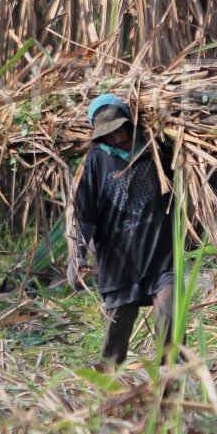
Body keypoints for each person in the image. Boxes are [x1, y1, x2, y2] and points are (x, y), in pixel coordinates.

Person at [70, 93, 177, 367]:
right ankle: (107, 396)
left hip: (160, 256)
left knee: (170, 324)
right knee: (113, 350)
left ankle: (172, 388)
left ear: (130, 122)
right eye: (109, 135)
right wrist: (77, 256)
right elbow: (85, 215)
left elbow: (191, 179)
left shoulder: (157, 148)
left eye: (120, 130)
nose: (117, 139)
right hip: (118, 264)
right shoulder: (95, 162)